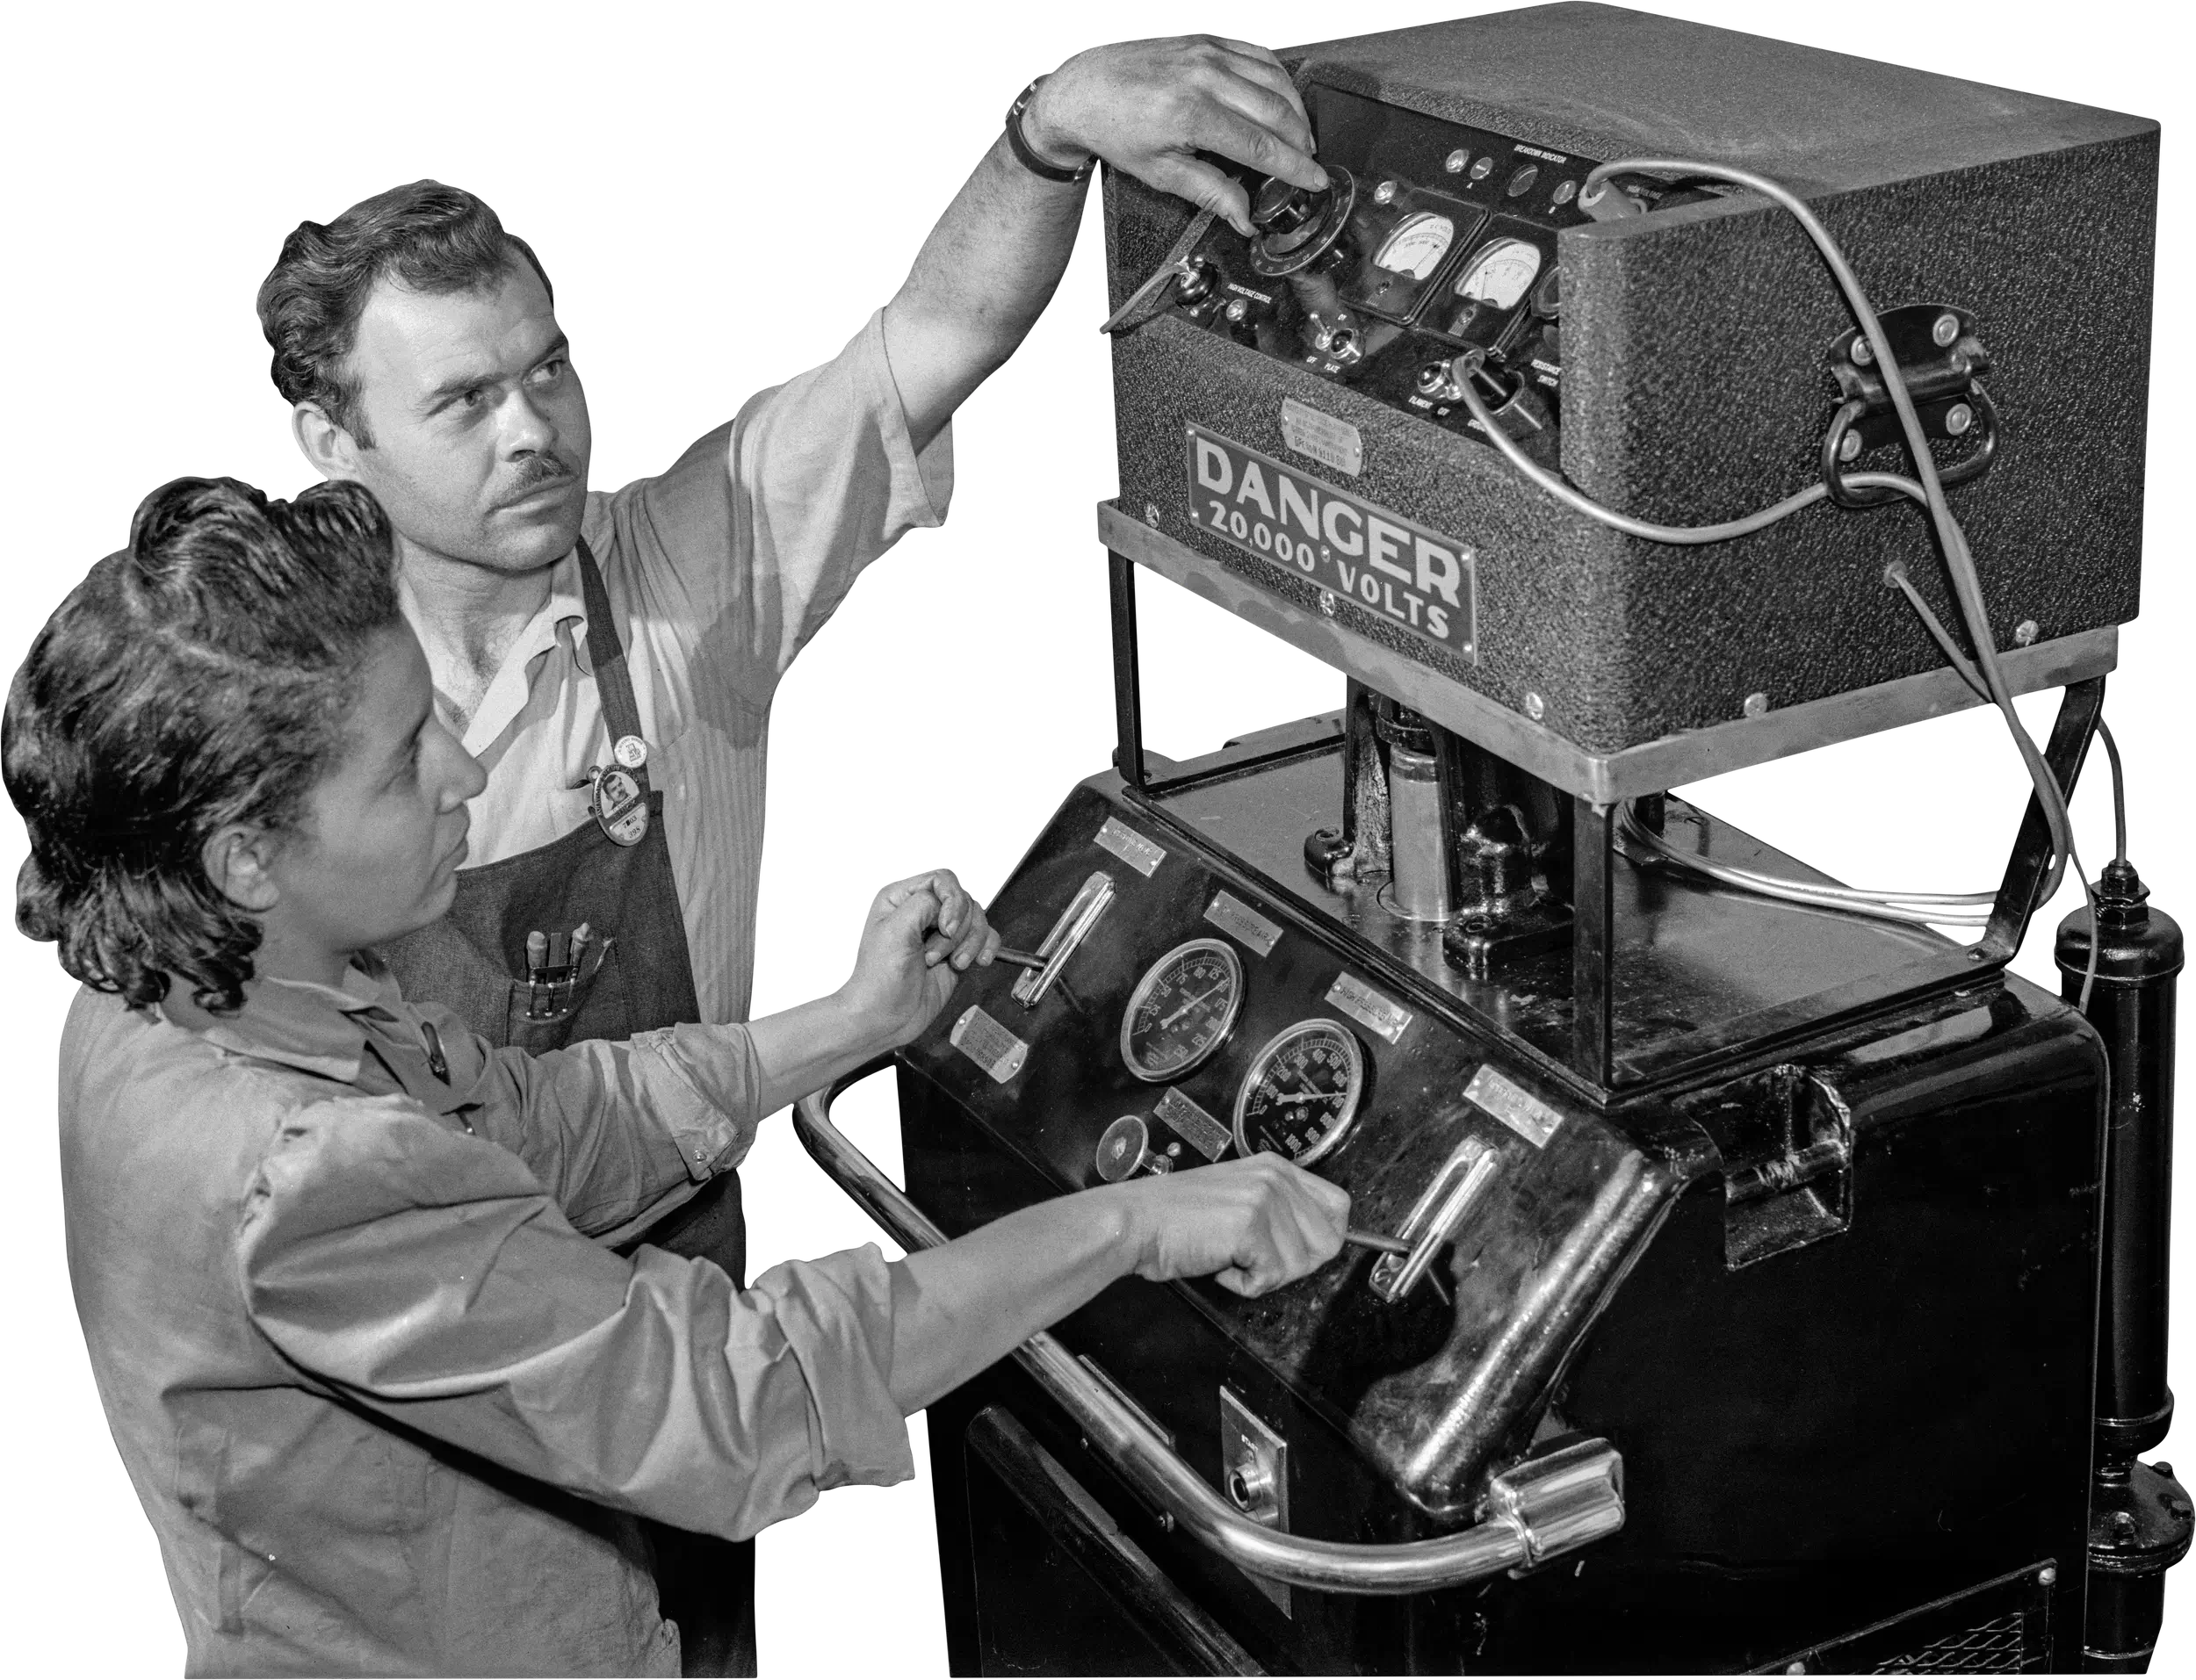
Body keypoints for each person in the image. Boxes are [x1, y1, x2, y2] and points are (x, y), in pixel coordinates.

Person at [249, 43, 1327, 1664]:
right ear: (330, 441)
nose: (534, 430)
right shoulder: (274, 706)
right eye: (462, 400)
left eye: (550, 369)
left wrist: (1041, 143)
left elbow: (925, 349)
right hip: (409, 1360)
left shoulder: (679, 577)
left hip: (682, 1275)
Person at [3, 476, 1352, 1679]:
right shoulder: (304, 1170)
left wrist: (847, 1024)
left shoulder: (180, 984)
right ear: (245, 856)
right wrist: (1127, 1221)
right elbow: (733, 1404)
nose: (465, 768)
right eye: (404, 759)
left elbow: (544, 1117)